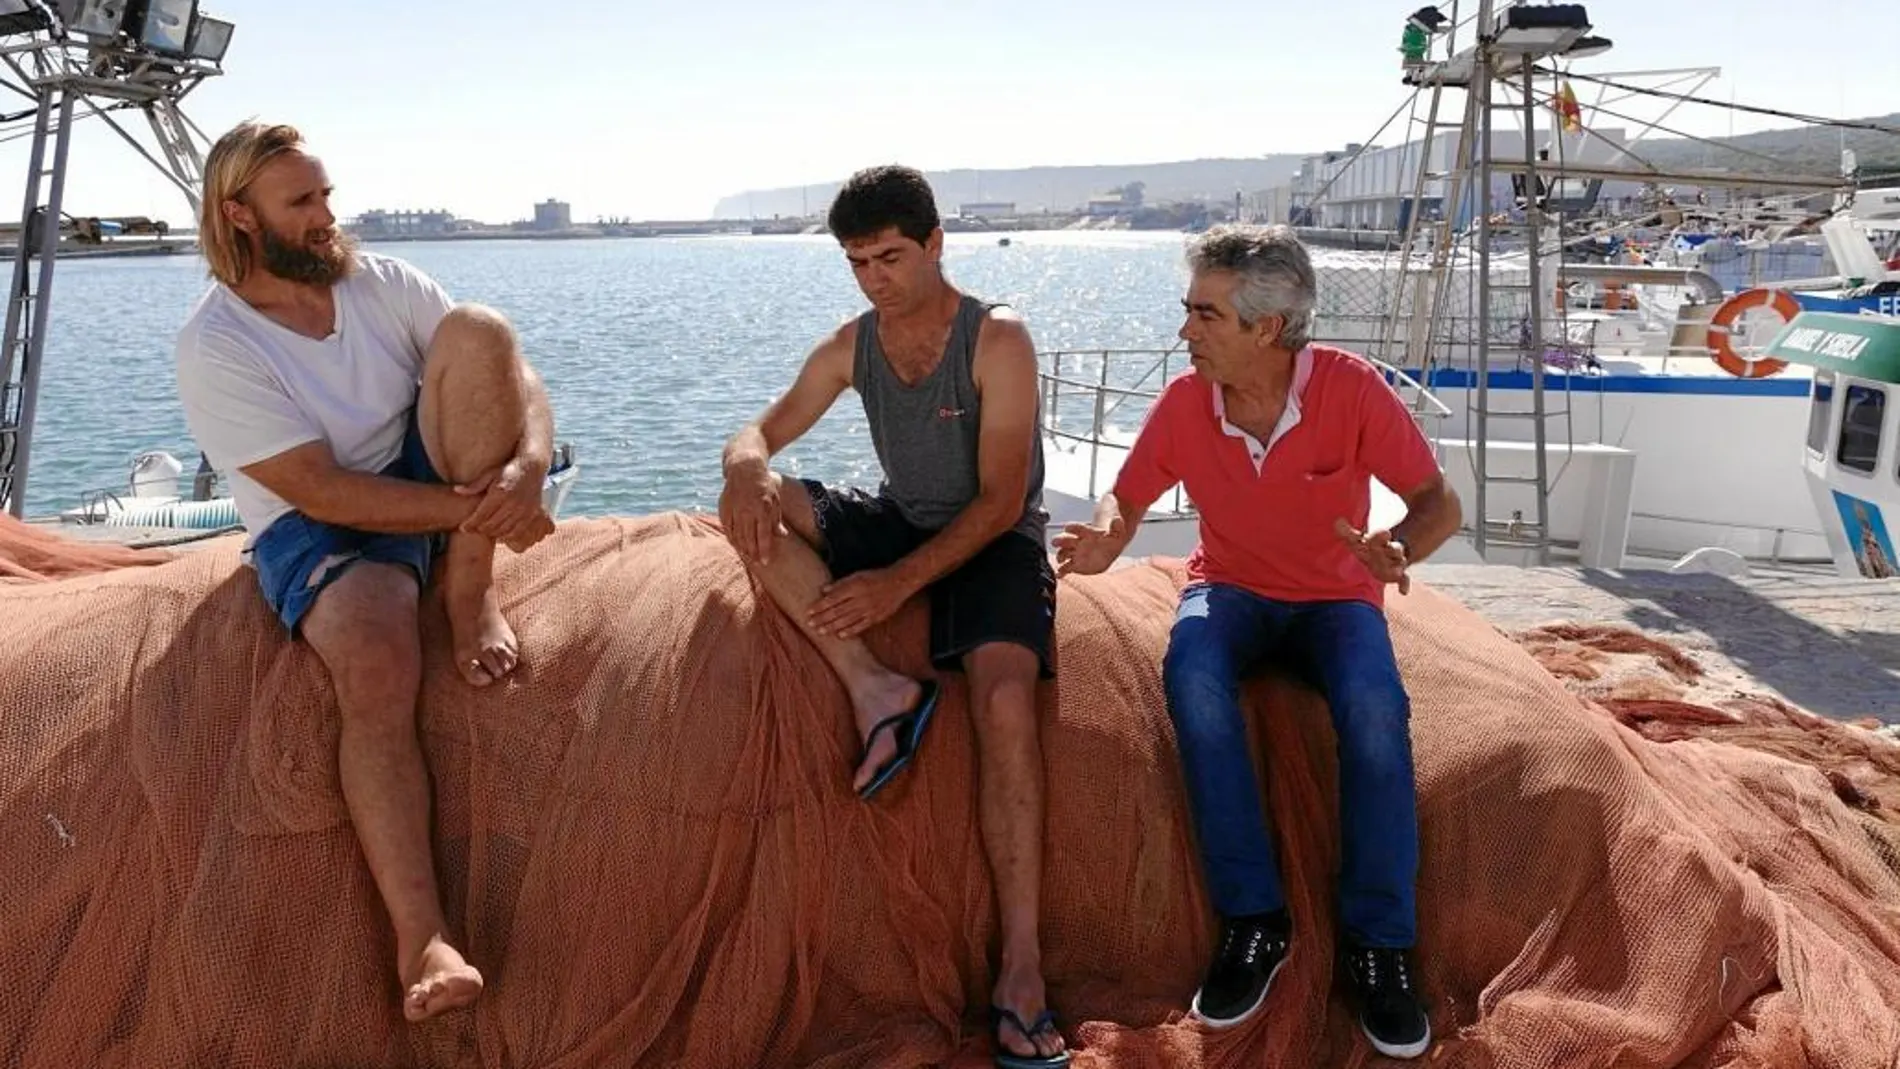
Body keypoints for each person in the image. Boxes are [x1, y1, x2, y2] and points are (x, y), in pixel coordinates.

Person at [175, 121, 557, 1021]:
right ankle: (423, 936)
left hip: (424, 471)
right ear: (239, 216)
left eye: (325, 195)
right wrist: (484, 509)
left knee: (478, 327)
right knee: (379, 662)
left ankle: (471, 595)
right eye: (301, 203)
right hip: (317, 522)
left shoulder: (377, 280)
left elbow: (513, 373)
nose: (325, 217)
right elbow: (322, 488)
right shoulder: (216, 344)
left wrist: (530, 466)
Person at [1053, 224, 1461, 1059]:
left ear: (1267, 328)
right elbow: (1124, 499)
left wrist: (1401, 550)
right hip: (1228, 589)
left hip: (1337, 600)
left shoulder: (1351, 391)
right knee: (1194, 678)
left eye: (1206, 315)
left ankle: (1380, 943)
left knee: (1376, 711)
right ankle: (1254, 920)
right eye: (1188, 309)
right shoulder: (1183, 404)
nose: (1185, 332)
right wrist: (1104, 537)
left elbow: (1435, 501)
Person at [719, 165, 1069, 1068]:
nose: (876, 278)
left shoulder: (999, 340)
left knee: (1003, 702)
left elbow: (997, 503)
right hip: (903, 517)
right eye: (857, 262)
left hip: (993, 543)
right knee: (751, 508)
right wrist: (749, 464)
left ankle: (1021, 970)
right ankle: (875, 687)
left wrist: (894, 588)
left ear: (935, 243)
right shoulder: (852, 344)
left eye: (891, 256)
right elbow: (756, 432)